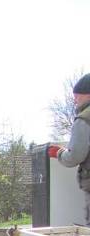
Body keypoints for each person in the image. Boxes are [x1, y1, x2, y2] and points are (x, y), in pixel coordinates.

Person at [48, 73, 90, 224]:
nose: (75, 102)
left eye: (77, 97)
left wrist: (59, 153)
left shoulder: (84, 119)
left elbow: (74, 157)